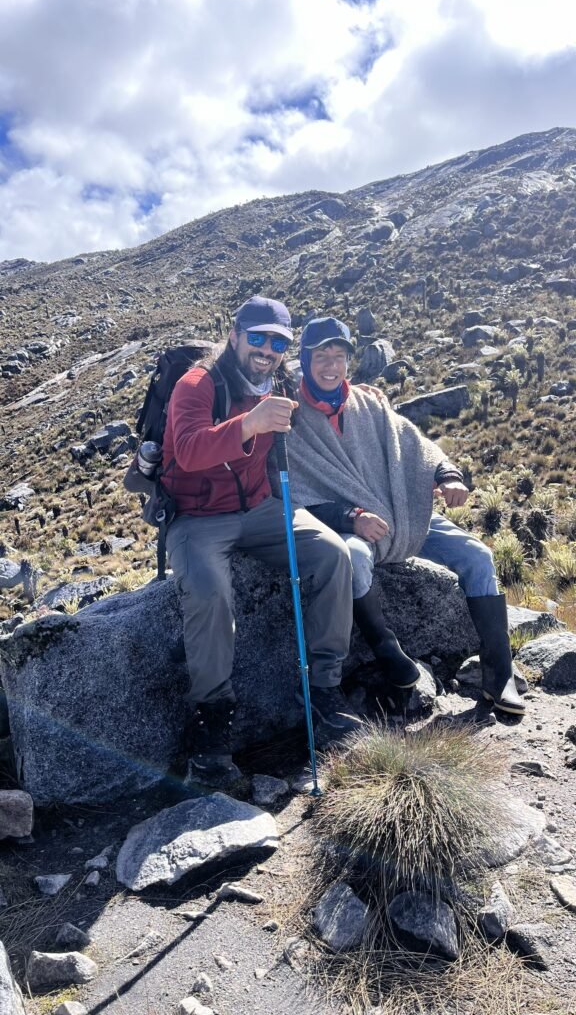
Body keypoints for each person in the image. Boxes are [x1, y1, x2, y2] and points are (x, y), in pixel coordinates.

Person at [285, 315, 525, 717]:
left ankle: (498, 674)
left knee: (478, 557)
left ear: (349, 359)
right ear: (305, 361)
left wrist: (446, 474)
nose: (330, 366)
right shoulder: (291, 418)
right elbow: (295, 493)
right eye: (320, 356)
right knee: (353, 558)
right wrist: (350, 516)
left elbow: (412, 442)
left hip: (400, 512)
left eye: (338, 356)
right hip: (352, 525)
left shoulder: (368, 402)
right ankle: (387, 649)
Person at [161, 296, 356, 784]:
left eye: (278, 342)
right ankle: (213, 728)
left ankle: (324, 691)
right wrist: (249, 423)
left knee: (333, 554)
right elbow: (186, 450)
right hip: (198, 518)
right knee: (208, 592)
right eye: (259, 337)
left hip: (262, 510)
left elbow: (325, 402)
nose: (267, 349)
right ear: (235, 335)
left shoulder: (280, 384)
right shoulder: (197, 384)